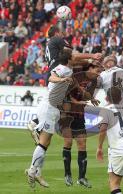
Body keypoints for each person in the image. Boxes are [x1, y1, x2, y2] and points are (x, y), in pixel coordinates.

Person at [27, 25, 103, 145]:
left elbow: (72, 61)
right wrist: (92, 56)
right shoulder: (57, 40)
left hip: (55, 74)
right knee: (63, 106)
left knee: (60, 106)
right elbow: (73, 57)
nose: (63, 35)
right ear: (57, 33)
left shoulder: (50, 45)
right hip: (60, 74)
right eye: (61, 33)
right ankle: (37, 125)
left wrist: (89, 61)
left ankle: (36, 123)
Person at [25, 49, 74, 188]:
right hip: (49, 108)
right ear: (68, 59)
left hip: (52, 108)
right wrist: (62, 79)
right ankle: (33, 170)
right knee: (43, 142)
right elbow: (52, 77)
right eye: (73, 57)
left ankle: (37, 172)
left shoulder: (68, 69)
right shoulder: (63, 68)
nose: (75, 58)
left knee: (45, 143)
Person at [61, 63, 102, 188]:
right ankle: (67, 175)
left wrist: (89, 96)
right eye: (97, 70)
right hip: (67, 113)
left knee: (82, 144)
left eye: (100, 72)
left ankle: (82, 178)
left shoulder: (94, 81)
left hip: (79, 113)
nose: (98, 73)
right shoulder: (76, 75)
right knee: (68, 143)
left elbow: (88, 95)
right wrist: (78, 100)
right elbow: (65, 95)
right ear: (90, 68)